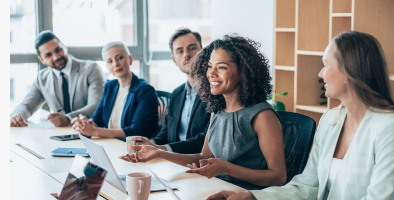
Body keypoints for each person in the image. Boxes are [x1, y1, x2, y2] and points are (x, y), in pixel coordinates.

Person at [207, 31, 394, 200]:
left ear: (350, 70)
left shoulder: (390, 128)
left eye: (325, 64)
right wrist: (252, 197)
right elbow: (307, 186)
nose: (320, 74)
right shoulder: (331, 120)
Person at [120, 34, 287, 190]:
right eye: (209, 66)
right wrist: (159, 152)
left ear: (243, 71)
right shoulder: (218, 109)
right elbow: (203, 158)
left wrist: (226, 168)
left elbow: (278, 177)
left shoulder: (262, 116)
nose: (211, 74)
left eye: (221, 67)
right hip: (215, 187)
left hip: (245, 194)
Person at [127, 28, 211, 153]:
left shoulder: (214, 92)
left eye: (192, 48)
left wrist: (162, 149)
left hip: (198, 163)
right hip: (171, 160)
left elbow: (206, 139)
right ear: (174, 60)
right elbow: (167, 131)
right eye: (180, 51)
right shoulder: (176, 94)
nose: (186, 54)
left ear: (202, 52)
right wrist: (152, 143)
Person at [10, 30, 105, 127]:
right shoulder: (42, 78)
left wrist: (68, 118)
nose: (56, 57)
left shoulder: (91, 68)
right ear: (41, 59)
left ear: (64, 46)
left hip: (93, 133)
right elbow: (27, 105)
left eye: (58, 50)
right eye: (48, 55)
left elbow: (96, 105)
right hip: (60, 135)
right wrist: (17, 115)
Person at [71, 41, 158, 139]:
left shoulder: (145, 90)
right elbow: (97, 118)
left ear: (130, 59)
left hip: (133, 148)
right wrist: (86, 124)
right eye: (110, 61)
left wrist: (95, 131)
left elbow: (136, 130)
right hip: (110, 143)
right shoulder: (110, 86)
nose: (116, 64)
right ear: (107, 66)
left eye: (120, 58)